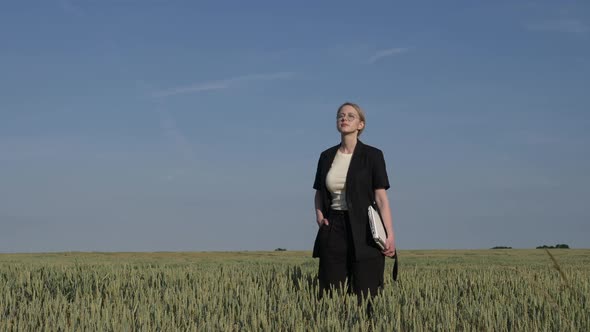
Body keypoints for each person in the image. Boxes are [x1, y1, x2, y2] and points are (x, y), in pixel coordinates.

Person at [312, 102, 396, 304]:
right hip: (334, 227)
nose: (344, 118)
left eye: (351, 116)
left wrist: (390, 233)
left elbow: (381, 198)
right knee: (330, 291)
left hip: (365, 227)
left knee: (367, 291)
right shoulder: (326, 156)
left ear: (361, 124)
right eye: (341, 115)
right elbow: (318, 191)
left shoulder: (373, 155)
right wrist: (319, 216)